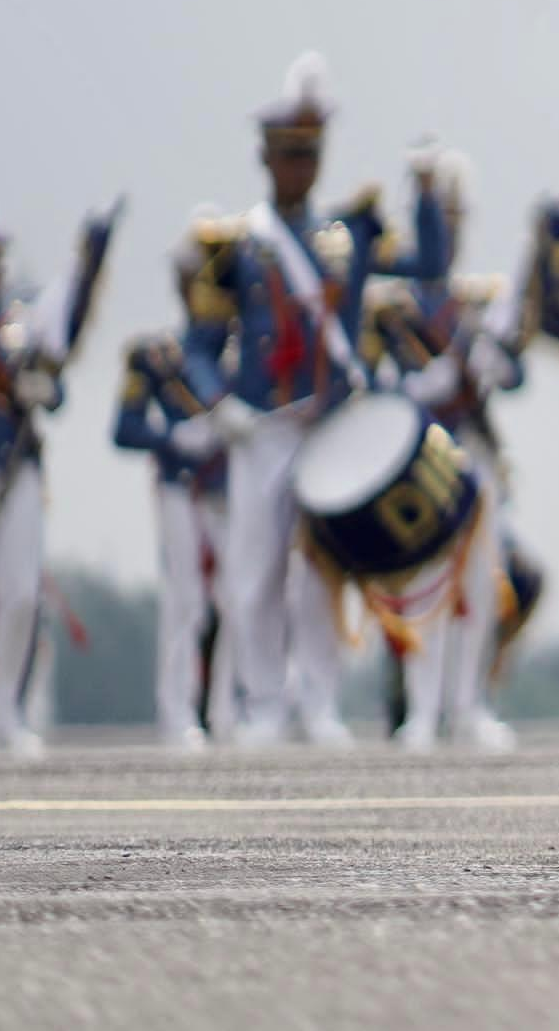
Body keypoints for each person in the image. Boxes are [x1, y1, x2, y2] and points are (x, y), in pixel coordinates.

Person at [182, 55, 415, 747]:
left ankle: (319, 701)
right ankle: (261, 703)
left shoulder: (347, 237)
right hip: (263, 427)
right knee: (254, 571)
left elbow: (430, 261)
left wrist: (427, 186)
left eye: (310, 155)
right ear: (266, 158)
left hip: (327, 422)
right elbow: (198, 344)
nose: (300, 167)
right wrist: (218, 402)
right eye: (288, 155)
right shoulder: (236, 246)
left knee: (320, 574)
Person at [360, 146, 529, 749]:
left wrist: (493, 366)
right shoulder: (392, 309)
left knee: (482, 579)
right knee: (420, 583)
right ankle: (422, 710)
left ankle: (469, 703)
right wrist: (417, 388)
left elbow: (515, 371)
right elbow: (375, 384)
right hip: (420, 461)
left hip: (474, 454)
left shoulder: (478, 304)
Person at [0, 184, 71, 757]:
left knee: (22, 593)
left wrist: (42, 385)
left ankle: (6, 708)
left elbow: (58, 391)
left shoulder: (19, 318)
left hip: (17, 466)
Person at [114, 242, 232, 745]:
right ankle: (177, 709)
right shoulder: (157, 355)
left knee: (243, 598)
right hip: (181, 487)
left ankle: (229, 710)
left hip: (231, 488)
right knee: (185, 601)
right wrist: (171, 438)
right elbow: (124, 428)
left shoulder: (244, 353)